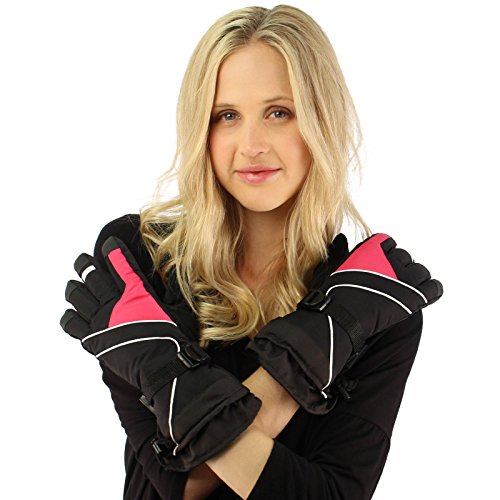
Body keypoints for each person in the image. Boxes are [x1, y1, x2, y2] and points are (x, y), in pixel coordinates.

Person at [61, 5, 443, 499]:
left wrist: (168, 380)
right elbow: (180, 487)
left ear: (321, 121)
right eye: (227, 116)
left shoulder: (373, 303)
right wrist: (303, 364)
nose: (252, 144)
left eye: (279, 112)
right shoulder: (139, 260)